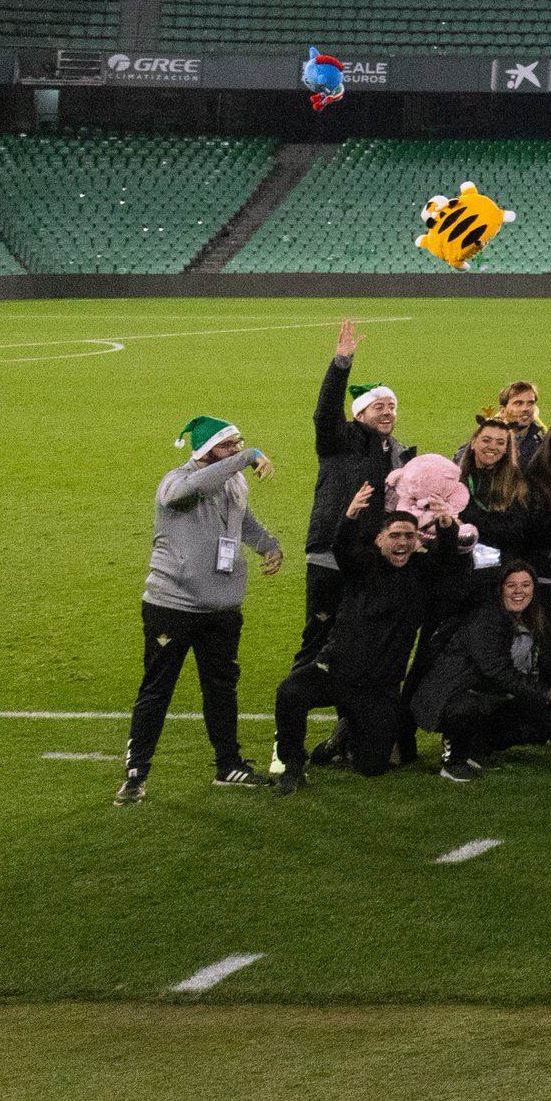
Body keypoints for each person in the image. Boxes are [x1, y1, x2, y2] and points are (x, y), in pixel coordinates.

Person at [126, 412, 285, 804]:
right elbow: (191, 489)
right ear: (206, 450)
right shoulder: (176, 481)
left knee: (221, 690)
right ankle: (136, 774)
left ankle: (228, 765)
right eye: (227, 445)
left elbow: (242, 519)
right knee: (157, 690)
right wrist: (247, 454)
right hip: (173, 607)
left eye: (237, 444)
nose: (234, 451)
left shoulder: (234, 481)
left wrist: (268, 543)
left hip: (222, 609)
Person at [270, 489, 431, 785]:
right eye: (395, 535)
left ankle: (342, 737)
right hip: (338, 670)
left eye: (410, 535)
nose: (403, 542)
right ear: (379, 539)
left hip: (380, 686)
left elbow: (451, 565)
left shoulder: (421, 573)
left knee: (373, 767)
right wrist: (350, 515)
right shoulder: (363, 567)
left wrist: (447, 528)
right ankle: (293, 764)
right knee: (290, 692)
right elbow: (341, 547)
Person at [416, 563, 551, 776]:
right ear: (500, 588)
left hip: (494, 693)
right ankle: (453, 759)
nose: (519, 591)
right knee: (465, 709)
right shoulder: (485, 619)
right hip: (456, 692)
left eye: (525, 585)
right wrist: (545, 693)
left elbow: (544, 659)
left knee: (541, 721)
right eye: (511, 585)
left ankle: (477, 749)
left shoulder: (532, 617)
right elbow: (496, 670)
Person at [299, 320, 399, 660]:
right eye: (379, 406)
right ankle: (295, 701)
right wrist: (341, 363)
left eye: (392, 407)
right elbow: (324, 413)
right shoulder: (338, 441)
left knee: (360, 642)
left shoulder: (397, 452)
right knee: (317, 642)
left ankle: (349, 713)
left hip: (370, 558)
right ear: (359, 413)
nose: (387, 412)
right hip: (330, 554)